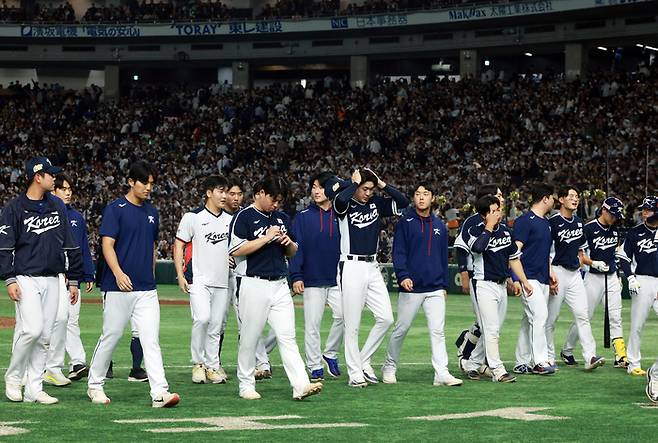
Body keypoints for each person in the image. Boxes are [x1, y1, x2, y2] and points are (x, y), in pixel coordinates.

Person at [87, 161, 180, 408]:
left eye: (151, 183)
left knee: (151, 340)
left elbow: (150, 247)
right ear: (131, 181)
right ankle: (94, 385)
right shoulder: (115, 209)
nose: (149, 187)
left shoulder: (153, 212)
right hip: (117, 286)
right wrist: (117, 273)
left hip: (146, 289)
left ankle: (160, 391)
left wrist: (150, 275)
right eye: (144, 182)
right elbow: (107, 244)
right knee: (111, 335)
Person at [229, 176, 322, 400]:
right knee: (250, 336)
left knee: (287, 336)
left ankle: (300, 385)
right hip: (252, 281)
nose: (276, 204)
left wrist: (287, 243)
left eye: (280, 200)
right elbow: (235, 249)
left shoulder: (281, 218)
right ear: (260, 192)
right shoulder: (244, 216)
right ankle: (246, 384)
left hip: (279, 283)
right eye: (274, 199)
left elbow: (293, 251)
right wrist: (266, 238)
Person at [1, 157, 82, 405]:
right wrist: (9, 278)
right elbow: (4, 247)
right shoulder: (13, 208)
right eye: (50, 174)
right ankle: (14, 378)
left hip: (53, 277)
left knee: (45, 335)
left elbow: (69, 241)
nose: (54, 178)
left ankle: (34, 388)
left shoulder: (56, 205)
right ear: (38, 177)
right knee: (32, 330)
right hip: (26, 277)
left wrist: (74, 279)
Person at [332, 168, 409, 387]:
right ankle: (355, 373)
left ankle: (363, 360)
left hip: (372, 265)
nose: (367, 193)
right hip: (351, 264)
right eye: (364, 189)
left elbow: (402, 202)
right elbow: (339, 201)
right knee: (352, 323)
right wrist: (353, 184)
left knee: (386, 318)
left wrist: (382, 184)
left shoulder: (375, 203)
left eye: (370, 189)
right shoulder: (345, 202)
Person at [382, 183, 462, 386]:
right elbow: (398, 252)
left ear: (432, 198)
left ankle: (441, 373)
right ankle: (389, 366)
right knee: (402, 328)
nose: (421, 197)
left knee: (438, 331)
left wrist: (444, 285)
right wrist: (403, 275)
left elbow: (444, 257)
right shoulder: (405, 222)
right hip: (411, 286)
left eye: (425, 194)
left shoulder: (440, 226)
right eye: (417, 194)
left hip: (435, 287)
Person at [454, 194, 535, 383]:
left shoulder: (506, 232)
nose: (497, 213)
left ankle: (473, 363)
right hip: (483, 285)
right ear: (484, 215)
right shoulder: (476, 230)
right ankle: (498, 370)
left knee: (493, 328)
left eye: (498, 210)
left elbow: (513, 259)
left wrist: (523, 281)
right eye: (492, 211)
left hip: (500, 285)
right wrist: (488, 226)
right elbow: (479, 248)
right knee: (490, 329)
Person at [174, 175, 233, 384]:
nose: (224, 195)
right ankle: (198, 364)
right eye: (220, 190)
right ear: (209, 193)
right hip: (198, 279)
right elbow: (179, 244)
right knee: (202, 319)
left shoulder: (230, 220)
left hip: (222, 281)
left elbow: (235, 248)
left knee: (216, 326)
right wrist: (180, 275)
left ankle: (212, 366)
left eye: (225, 191)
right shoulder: (193, 217)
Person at [561, 196, 628, 369]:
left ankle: (620, 355)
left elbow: (615, 251)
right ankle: (567, 350)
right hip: (593, 277)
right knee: (585, 315)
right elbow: (580, 254)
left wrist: (617, 275)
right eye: (612, 214)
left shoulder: (616, 230)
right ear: (603, 210)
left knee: (615, 317)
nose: (615, 218)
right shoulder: (588, 228)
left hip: (611, 277)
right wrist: (593, 263)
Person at [289, 172, 343, 382]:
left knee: (345, 316)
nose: (316, 191)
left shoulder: (341, 214)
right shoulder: (302, 217)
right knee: (312, 324)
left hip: (337, 278)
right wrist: (296, 275)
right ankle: (314, 365)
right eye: (313, 187)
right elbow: (295, 248)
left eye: (321, 187)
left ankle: (329, 354)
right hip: (311, 278)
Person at [43, 173, 96, 386]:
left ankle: (76, 363)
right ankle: (43, 367)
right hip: (51, 276)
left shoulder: (76, 217)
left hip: (72, 277)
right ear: (53, 191)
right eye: (63, 188)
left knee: (69, 320)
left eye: (70, 189)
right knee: (49, 323)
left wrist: (87, 272)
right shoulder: (47, 214)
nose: (68, 192)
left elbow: (82, 246)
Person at [218, 177, 273, 380]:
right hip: (220, 276)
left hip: (245, 274)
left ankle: (261, 362)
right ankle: (215, 363)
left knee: (250, 322)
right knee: (219, 322)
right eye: (231, 193)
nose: (235, 197)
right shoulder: (218, 217)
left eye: (239, 194)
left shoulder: (247, 216)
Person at [545, 186, 604, 371]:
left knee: (583, 315)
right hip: (557, 271)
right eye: (571, 196)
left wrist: (581, 259)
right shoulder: (553, 222)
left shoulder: (579, 222)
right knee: (551, 318)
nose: (575, 199)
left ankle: (590, 357)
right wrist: (549, 273)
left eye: (577, 196)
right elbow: (545, 250)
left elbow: (581, 248)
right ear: (561, 199)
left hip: (574, 274)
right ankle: (547, 357)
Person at [454, 184, 504, 378]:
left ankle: (476, 358)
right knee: (486, 325)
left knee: (491, 324)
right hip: (478, 275)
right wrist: (464, 274)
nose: (502, 198)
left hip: (497, 277)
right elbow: (461, 248)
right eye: (498, 195)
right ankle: (467, 355)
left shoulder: (499, 219)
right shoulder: (473, 221)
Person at [512, 183, 558, 376]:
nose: (554, 200)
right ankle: (539, 361)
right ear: (545, 198)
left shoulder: (546, 222)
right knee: (539, 316)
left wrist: (550, 272)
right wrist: (518, 279)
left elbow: (543, 252)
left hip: (542, 277)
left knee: (528, 320)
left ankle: (521, 361)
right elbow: (514, 251)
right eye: (552, 197)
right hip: (528, 278)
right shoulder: (525, 221)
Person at [617, 196, 658, 376]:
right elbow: (623, 257)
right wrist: (631, 277)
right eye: (643, 209)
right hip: (642, 280)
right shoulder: (635, 232)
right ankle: (633, 363)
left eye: (648, 210)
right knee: (637, 325)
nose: (644, 212)